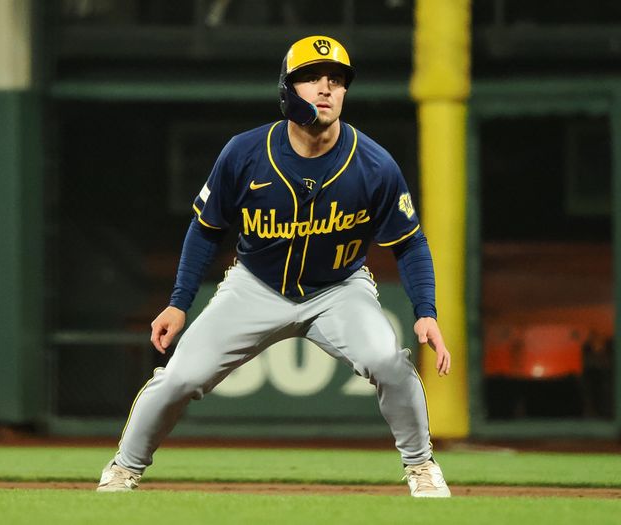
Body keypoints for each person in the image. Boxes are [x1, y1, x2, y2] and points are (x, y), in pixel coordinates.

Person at [97, 35, 452, 498]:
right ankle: (124, 468)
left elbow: (410, 243)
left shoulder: (374, 165)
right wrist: (178, 303)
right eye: (311, 78)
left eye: (336, 80)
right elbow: (206, 228)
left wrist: (426, 310)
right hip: (255, 287)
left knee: (388, 360)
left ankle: (421, 465)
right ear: (288, 90)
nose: (326, 88)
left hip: (339, 290)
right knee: (179, 377)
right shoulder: (245, 153)